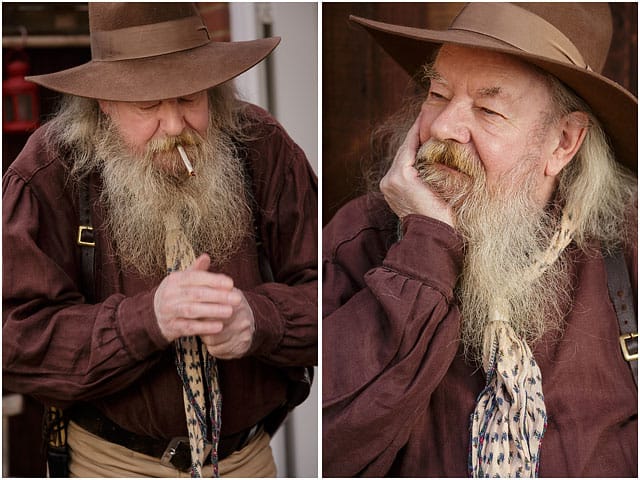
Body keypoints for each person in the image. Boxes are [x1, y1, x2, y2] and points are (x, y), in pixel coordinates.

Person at [3, 3, 317, 477]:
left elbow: (333, 299)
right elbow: (15, 343)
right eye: (148, 105)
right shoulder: (49, 172)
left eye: (190, 99)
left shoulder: (263, 147)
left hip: (246, 461)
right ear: (104, 102)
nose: (174, 128)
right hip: (111, 466)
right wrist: (145, 320)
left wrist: (260, 319)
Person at [323, 3, 637, 477]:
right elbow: (328, 449)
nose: (444, 128)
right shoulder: (359, 239)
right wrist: (425, 251)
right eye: (437, 93)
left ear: (563, 143)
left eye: (488, 109)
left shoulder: (624, 245)